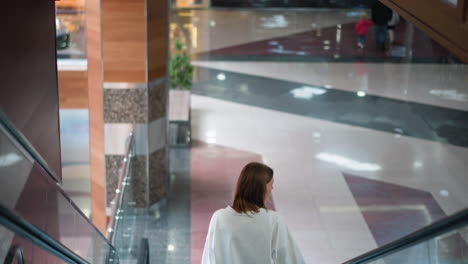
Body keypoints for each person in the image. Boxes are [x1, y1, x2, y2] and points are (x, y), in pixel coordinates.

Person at [202, 162, 305, 264]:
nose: (272, 189)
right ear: (262, 188)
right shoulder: (273, 220)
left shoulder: (219, 218)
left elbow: (210, 258)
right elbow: (291, 259)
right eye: (271, 185)